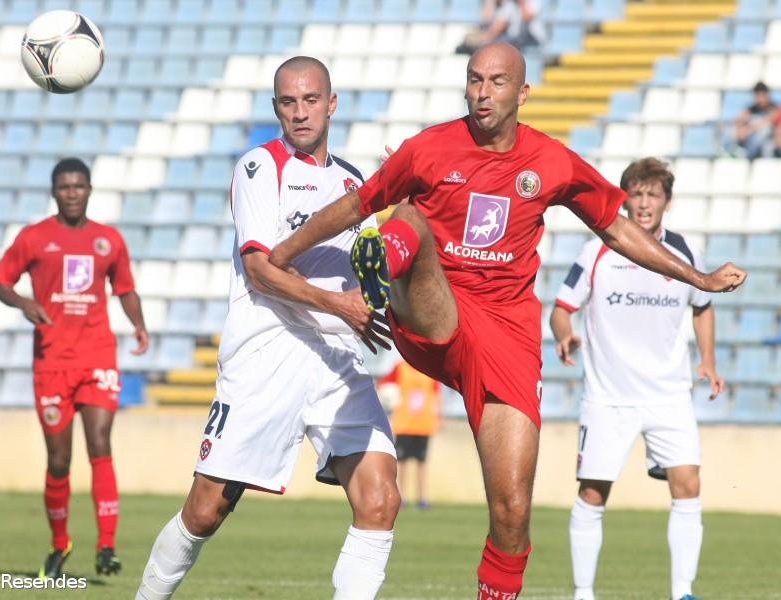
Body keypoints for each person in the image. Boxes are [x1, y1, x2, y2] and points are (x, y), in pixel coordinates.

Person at [269, 43, 746, 599]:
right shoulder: (428, 148)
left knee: (512, 511)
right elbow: (358, 204)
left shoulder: (551, 160)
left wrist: (698, 278)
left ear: (522, 93)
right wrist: (282, 253)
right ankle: (382, 264)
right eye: (475, 79)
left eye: (497, 82)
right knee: (409, 217)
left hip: (507, 336)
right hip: (437, 310)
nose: (482, 92)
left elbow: (617, 229)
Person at [135, 56, 400, 600]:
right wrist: (338, 304)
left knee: (380, 499)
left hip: (336, 358)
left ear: (332, 104)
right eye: (288, 101)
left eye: (310, 100)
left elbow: (370, 272)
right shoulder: (259, 167)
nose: (299, 112)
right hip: (266, 349)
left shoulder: (354, 183)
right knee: (205, 511)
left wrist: (412, 203)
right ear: (276, 107)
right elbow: (259, 270)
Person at [549, 157, 724, 600]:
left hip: (669, 395)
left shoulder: (686, 252)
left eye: (653, 195)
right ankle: (583, 592)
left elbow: (703, 306)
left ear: (667, 201)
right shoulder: (596, 251)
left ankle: (682, 592)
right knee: (593, 492)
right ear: (623, 199)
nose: (645, 203)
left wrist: (708, 360)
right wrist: (565, 335)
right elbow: (561, 308)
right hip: (608, 398)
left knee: (688, 485)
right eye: (637, 194)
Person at [0, 157, 149, 579]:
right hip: (52, 362)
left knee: (100, 442)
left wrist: (139, 325)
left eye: (79, 186)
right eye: (64, 187)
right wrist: (23, 303)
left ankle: (107, 546)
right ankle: (60, 544)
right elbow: (0, 283)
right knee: (59, 460)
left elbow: (125, 288)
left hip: (97, 356)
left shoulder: (108, 240)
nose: (72, 193)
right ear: (54, 192)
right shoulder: (33, 238)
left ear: (90, 190)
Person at [379, 359, 442, 510]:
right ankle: (401, 496)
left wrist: (440, 415)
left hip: (424, 424)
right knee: (402, 462)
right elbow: (383, 384)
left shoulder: (430, 367)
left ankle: (422, 498)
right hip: (404, 424)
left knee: (422, 463)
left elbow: (436, 394)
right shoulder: (400, 367)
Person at [457, 0, 545, 54]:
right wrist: (491, 2)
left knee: (490, 46)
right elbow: (486, 20)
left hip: (531, 38)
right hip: (512, 38)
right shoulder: (509, 4)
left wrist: (482, 40)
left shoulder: (533, 1)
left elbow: (526, 16)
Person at [729, 81, 778, 159]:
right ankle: (733, 151)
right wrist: (740, 128)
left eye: (762, 95)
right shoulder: (751, 109)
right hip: (750, 138)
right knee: (731, 131)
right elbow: (739, 120)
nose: (760, 98)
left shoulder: (774, 108)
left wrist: (749, 129)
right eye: (757, 95)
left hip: (768, 142)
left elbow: (769, 120)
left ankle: (746, 155)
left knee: (765, 131)